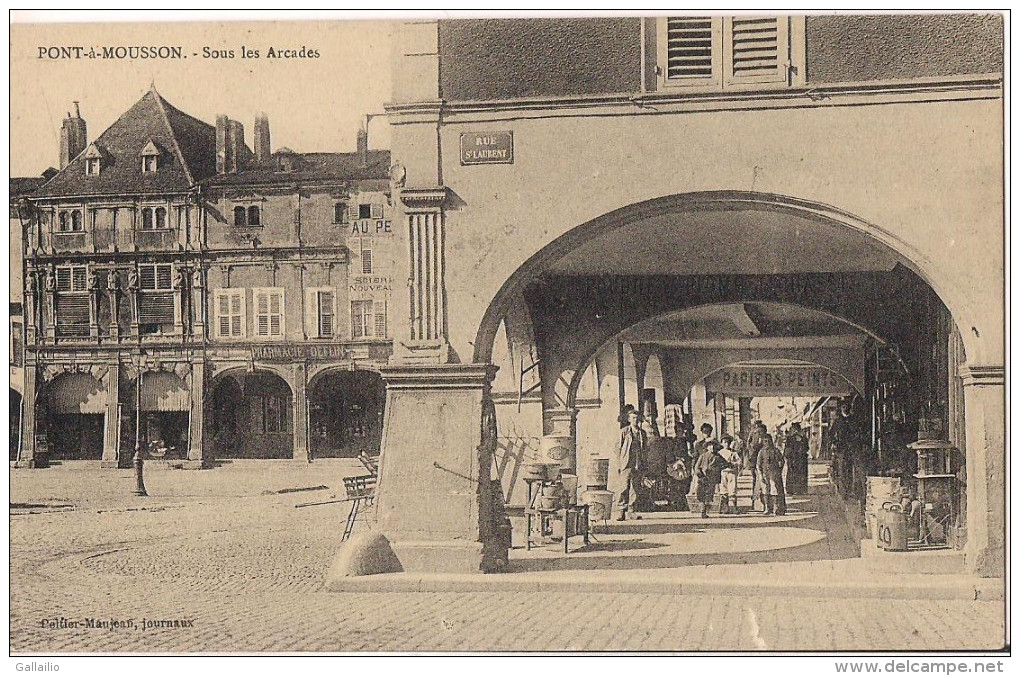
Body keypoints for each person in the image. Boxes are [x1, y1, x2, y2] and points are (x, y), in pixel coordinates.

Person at [612, 409, 646, 521]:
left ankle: (631, 511)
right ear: (629, 419)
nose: (635, 420)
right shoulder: (624, 431)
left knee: (635, 487)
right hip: (626, 463)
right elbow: (617, 448)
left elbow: (645, 449)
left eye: (637, 418)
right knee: (624, 487)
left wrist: (644, 463)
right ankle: (621, 511)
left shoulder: (642, 433)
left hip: (638, 463)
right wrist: (619, 463)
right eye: (633, 418)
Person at [693, 425, 728, 518]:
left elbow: (725, 464)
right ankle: (703, 510)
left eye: (713, 446)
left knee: (712, 493)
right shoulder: (703, 454)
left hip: (713, 477)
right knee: (701, 493)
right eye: (709, 446)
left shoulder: (717, 456)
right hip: (703, 477)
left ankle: (711, 509)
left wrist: (718, 469)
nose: (711, 448)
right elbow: (697, 464)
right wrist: (698, 472)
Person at [756, 434, 787, 516]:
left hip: (774, 474)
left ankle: (776, 507)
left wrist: (779, 469)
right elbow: (758, 465)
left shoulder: (776, 451)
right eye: (765, 441)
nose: (767, 443)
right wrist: (760, 475)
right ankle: (767, 507)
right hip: (765, 474)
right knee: (765, 491)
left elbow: (782, 461)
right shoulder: (761, 452)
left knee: (774, 490)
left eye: (769, 441)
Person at [745, 421, 768, 512]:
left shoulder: (763, 435)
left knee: (759, 480)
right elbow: (748, 444)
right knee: (757, 479)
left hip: (760, 457)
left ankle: (760, 502)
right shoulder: (753, 433)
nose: (758, 430)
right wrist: (751, 450)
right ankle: (757, 501)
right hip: (754, 458)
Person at [717, 434, 742, 514]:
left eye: (728, 442)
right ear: (721, 443)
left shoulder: (733, 452)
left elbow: (739, 462)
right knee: (723, 490)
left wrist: (733, 463)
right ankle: (725, 508)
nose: (726, 444)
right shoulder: (720, 453)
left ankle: (734, 508)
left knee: (733, 489)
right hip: (723, 472)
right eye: (724, 442)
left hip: (732, 473)